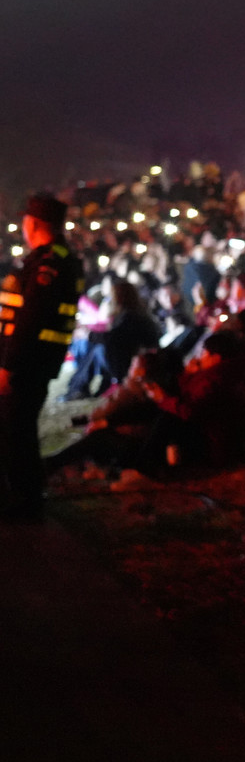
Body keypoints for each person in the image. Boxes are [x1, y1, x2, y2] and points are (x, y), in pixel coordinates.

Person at [0, 194, 85, 519]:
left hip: (28, 362)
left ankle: (25, 501)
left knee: (16, 429)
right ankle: (23, 495)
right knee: (16, 426)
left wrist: (8, 366)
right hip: (36, 360)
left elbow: (30, 321)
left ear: (33, 224)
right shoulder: (53, 259)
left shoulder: (49, 263)